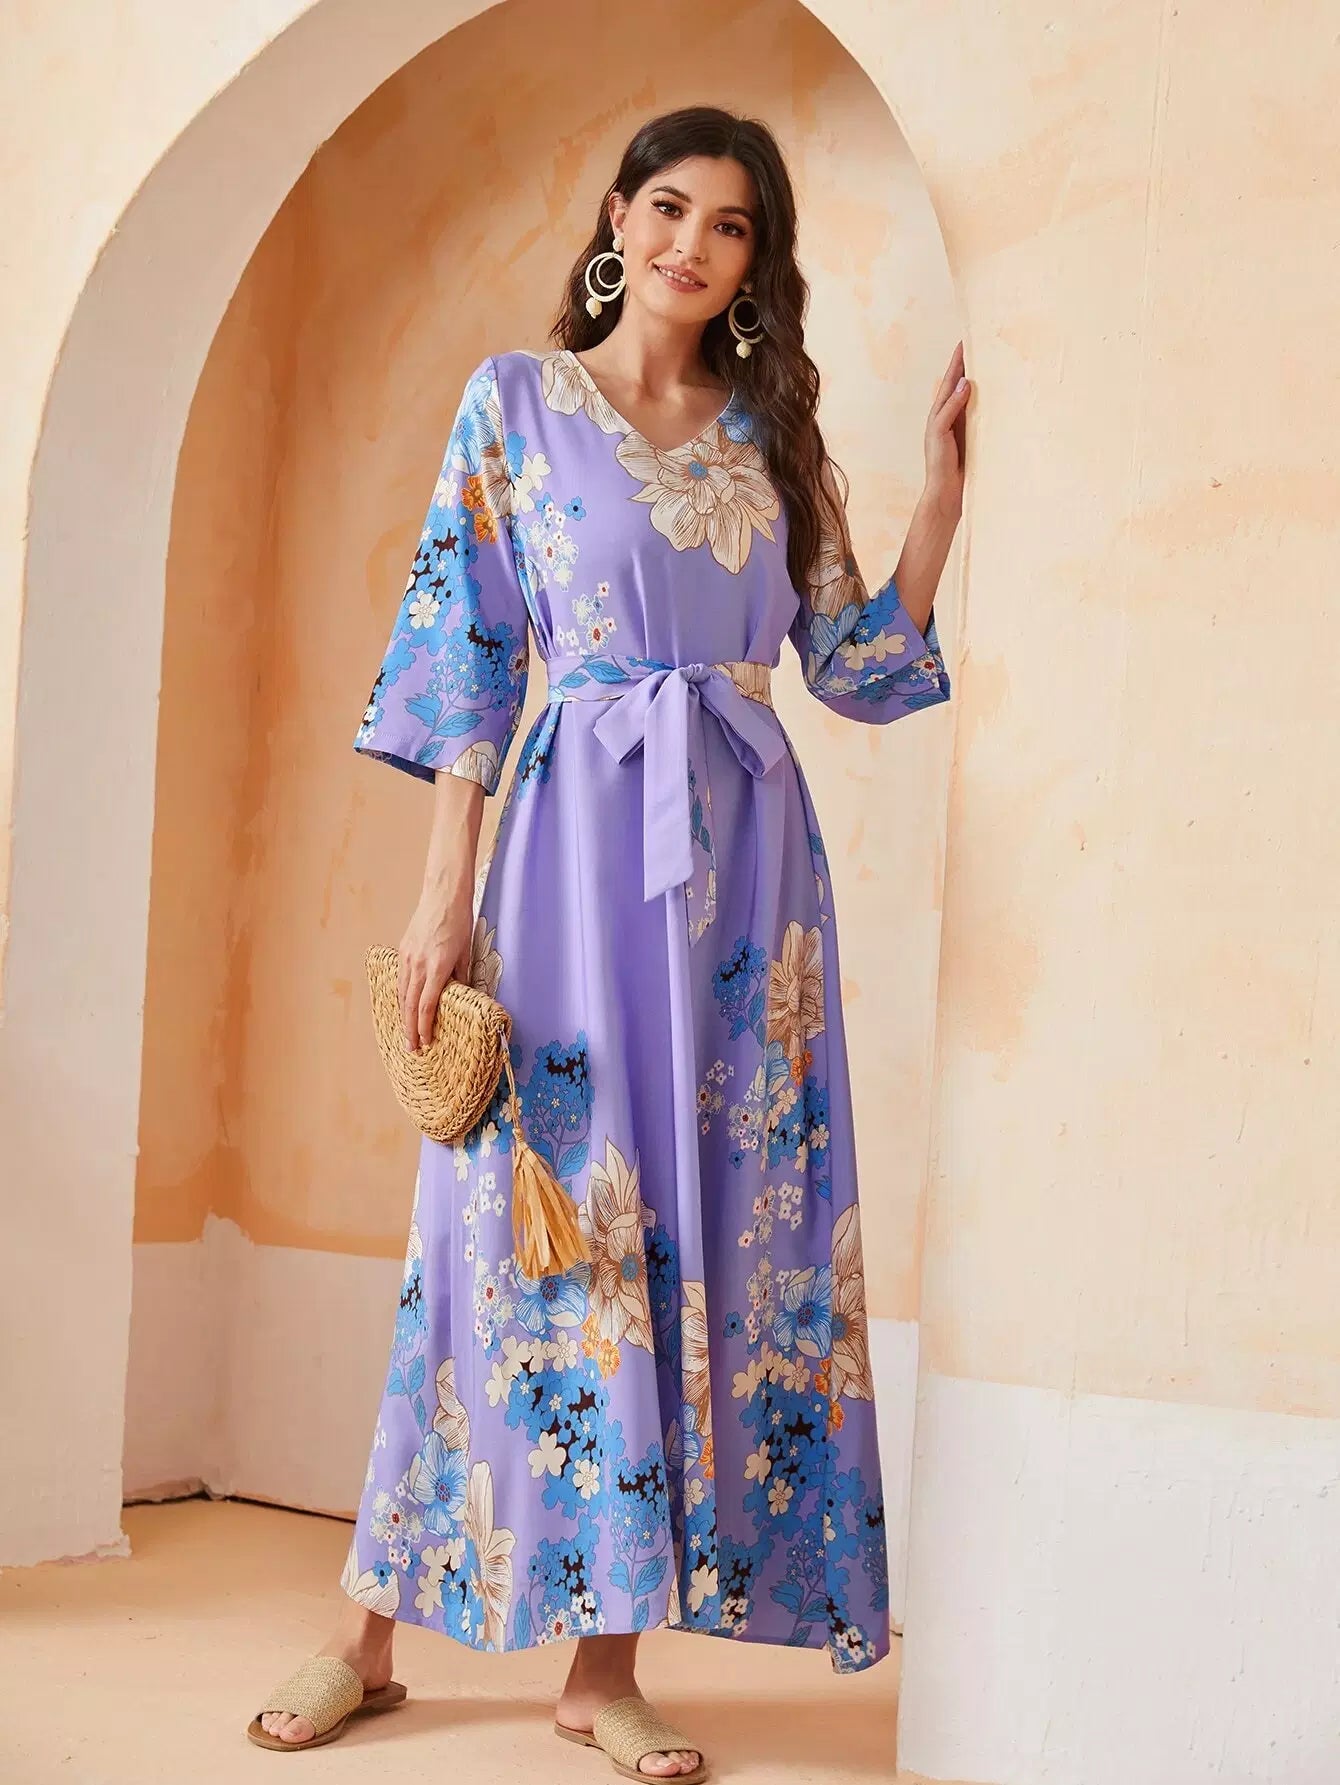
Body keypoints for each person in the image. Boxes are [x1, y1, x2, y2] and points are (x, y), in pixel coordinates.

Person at [247, 103, 969, 1778]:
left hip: (746, 890)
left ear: (754, 262)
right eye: (669, 207)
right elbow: (471, 653)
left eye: (730, 225)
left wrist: (936, 506)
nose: (691, 245)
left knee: (696, 1236)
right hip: (570, 856)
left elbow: (852, 667)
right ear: (619, 220)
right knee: (515, 1231)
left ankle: (605, 1662)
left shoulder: (776, 443)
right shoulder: (518, 403)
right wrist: (445, 887)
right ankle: (366, 1628)